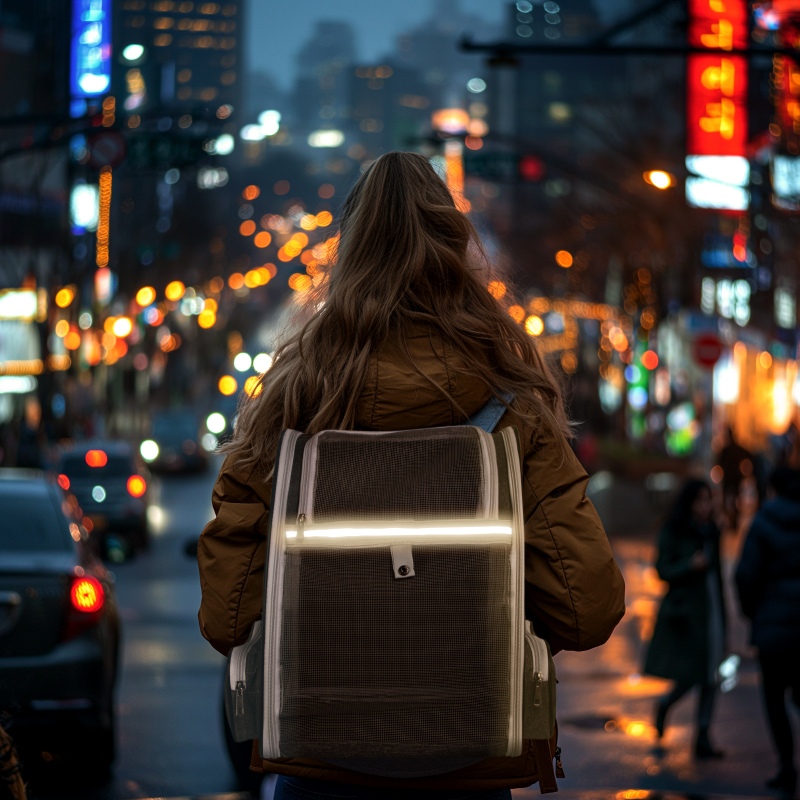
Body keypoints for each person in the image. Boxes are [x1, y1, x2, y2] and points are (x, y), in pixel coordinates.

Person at [197, 151, 626, 799]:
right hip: (468, 765)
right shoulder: (512, 407)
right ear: (455, 244)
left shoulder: (291, 403)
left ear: (347, 249)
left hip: (322, 765)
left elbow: (227, 620)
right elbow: (585, 611)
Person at [644, 479, 725, 759]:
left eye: (709, 499)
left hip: (711, 610)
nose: (706, 506)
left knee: (712, 675)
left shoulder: (712, 531)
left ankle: (703, 735)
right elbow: (662, 569)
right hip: (686, 614)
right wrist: (689, 565)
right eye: (701, 500)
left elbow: (717, 577)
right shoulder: (675, 530)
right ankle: (666, 703)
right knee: (695, 673)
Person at [735, 467, 800, 799]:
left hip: (773, 627)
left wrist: (755, 614)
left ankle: (787, 768)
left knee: (775, 701)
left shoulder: (762, 524)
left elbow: (746, 576)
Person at [717, 426, 752, 532]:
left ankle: (731, 520)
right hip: (735, 477)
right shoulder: (736, 449)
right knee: (735, 500)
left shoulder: (725, 450)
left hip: (729, 478)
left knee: (728, 500)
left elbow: (719, 463)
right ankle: (732, 520)